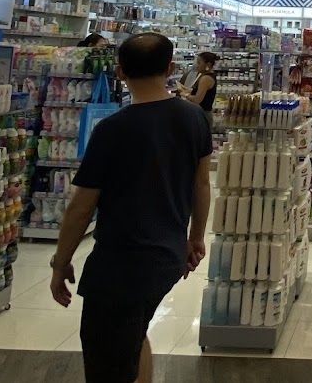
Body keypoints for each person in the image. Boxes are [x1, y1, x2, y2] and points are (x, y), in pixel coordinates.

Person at [49, 32, 212, 383]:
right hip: (167, 256)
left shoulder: (111, 130)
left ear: (120, 72)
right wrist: (195, 237)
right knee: (134, 336)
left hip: (121, 264)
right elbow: (201, 184)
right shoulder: (195, 118)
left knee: (108, 360)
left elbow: (81, 206)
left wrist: (61, 261)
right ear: (170, 68)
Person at [177, 51, 218, 128]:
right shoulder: (207, 76)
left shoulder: (205, 78)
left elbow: (197, 99)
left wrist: (185, 94)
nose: (196, 65)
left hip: (202, 115)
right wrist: (186, 90)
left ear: (208, 65)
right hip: (203, 114)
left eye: (199, 63)